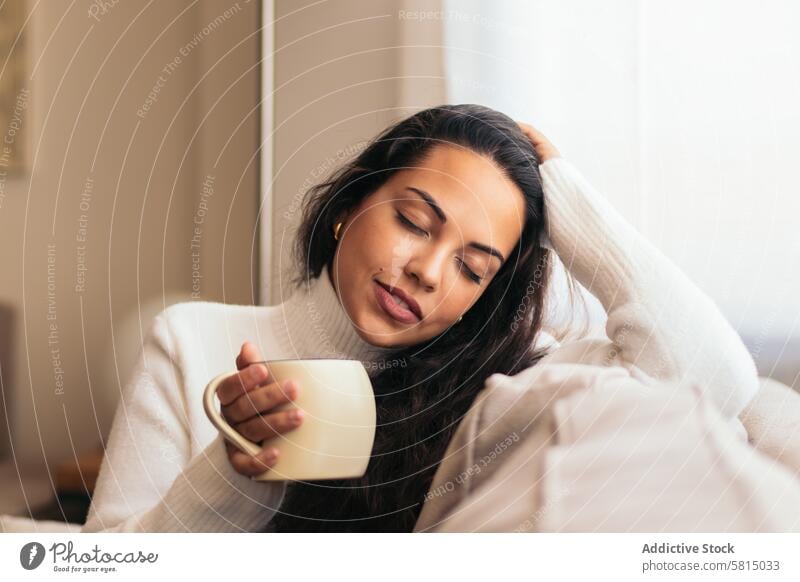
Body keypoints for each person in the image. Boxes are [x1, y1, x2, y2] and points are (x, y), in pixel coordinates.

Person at [81, 104, 758, 533]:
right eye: (413, 222)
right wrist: (233, 473)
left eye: (472, 267)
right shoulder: (193, 339)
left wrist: (567, 199)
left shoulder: (504, 393)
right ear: (352, 201)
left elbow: (716, 378)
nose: (428, 273)